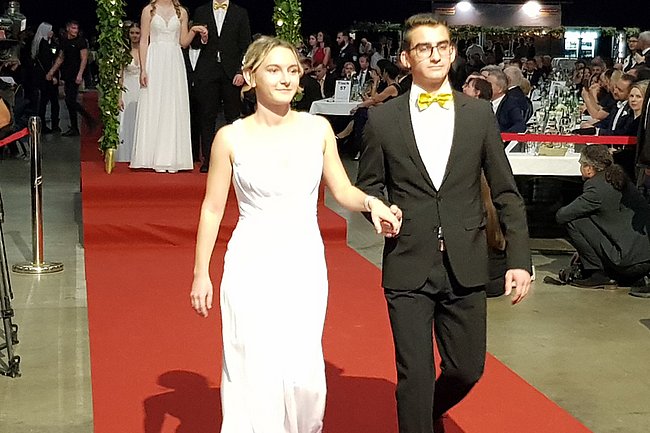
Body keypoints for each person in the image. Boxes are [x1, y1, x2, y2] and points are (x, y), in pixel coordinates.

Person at [189, 36, 402, 433]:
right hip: (250, 262)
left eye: (292, 70)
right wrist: (202, 272)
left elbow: (342, 190)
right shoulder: (229, 138)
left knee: (303, 368)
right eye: (273, 70)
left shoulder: (317, 129)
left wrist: (372, 203)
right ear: (250, 76)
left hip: (303, 260)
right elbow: (212, 208)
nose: (286, 78)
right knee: (250, 359)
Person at [356, 14, 531, 433]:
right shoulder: (383, 119)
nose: (434, 55)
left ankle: (426, 411)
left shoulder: (478, 115)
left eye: (442, 46)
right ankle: (417, 415)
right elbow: (368, 187)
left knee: (467, 369)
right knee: (414, 379)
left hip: (466, 262)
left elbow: (505, 191)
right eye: (423, 47)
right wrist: (377, 210)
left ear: (452, 53)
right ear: (406, 58)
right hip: (408, 261)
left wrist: (519, 259)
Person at [556, 145, 650, 289]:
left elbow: (562, 215)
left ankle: (597, 273)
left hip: (627, 262)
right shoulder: (620, 178)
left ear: (589, 168)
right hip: (645, 258)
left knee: (574, 220)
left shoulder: (596, 188)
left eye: (581, 164)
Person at [130, 0, 207, 173]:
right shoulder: (149, 10)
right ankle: (149, 156)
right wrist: (143, 69)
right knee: (154, 104)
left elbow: (183, 42)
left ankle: (172, 157)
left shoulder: (181, 12)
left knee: (172, 105)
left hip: (174, 60)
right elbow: (144, 41)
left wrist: (194, 30)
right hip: (155, 59)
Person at [192, 0, 251, 173]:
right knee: (207, 116)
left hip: (232, 73)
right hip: (208, 71)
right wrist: (202, 40)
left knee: (233, 117)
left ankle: (234, 159)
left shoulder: (240, 12)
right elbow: (193, 44)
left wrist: (241, 71)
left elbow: (246, 45)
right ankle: (209, 159)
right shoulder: (201, 11)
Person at [45, 20, 96, 137]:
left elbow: (84, 59)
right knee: (69, 102)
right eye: (73, 28)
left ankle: (88, 119)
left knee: (70, 100)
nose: (75, 31)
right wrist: (51, 72)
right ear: (68, 28)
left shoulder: (81, 42)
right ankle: (74, 127)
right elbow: (60, 58)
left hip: (75, 74)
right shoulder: (64, 41)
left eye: (76, 28)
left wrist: (80, 74)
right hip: (67, 74)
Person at [115, 23, 142, 163]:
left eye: (137, 33)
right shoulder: (123, 52)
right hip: (127, 90)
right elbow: (120, 76)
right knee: (126, 121)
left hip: (141, 90)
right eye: (132, 33)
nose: (135, 35)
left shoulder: (146, 51)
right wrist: (119, 96)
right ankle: (126, 155)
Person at [31, 22, 60, 134]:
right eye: (50, 30)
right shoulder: (42, 44)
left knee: (51, 101)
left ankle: (54, 124)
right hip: (45, 77)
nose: (51, 32)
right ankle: (45, 125)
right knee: (46, 101)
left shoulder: (51, 43)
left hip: (48, 76)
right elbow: (46, 62)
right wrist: (51, 76)